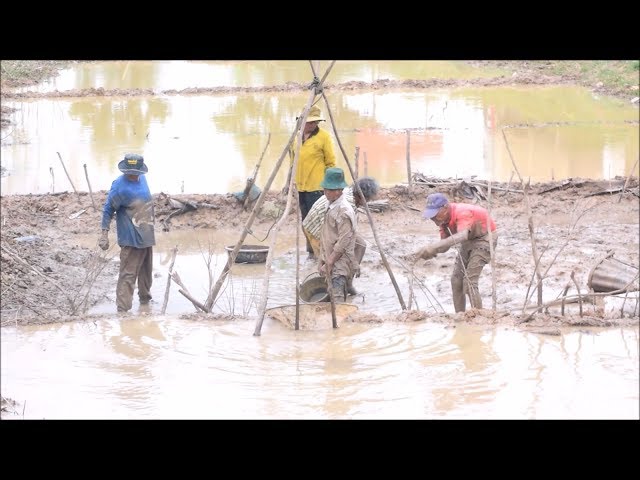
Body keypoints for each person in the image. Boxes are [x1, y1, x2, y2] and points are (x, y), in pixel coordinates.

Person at [416, 192, 498, 312]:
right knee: (456, 280)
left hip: (485, 238)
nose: (433, 219)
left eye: (435, 215)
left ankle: (479, 317)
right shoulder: (444, 222)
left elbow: (462, 236)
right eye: (431, 217)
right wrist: (432, 252)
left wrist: (434, 246)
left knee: (469, 282)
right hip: (469, 240)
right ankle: (460, 317)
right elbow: (445, 246)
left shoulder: (462, 212)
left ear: (445, 208)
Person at [302, 176, 379, 295]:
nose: (367, 203)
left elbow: (348, 233)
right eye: (367, 200)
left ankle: (348, 282)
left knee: (360, 245)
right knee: (333, 260)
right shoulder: (347, 205)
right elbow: (344, 240)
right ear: (362, 196)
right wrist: (339, 258)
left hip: (329, 225)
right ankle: (332, 290)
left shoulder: (349, 193)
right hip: (317, 228)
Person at [99, 153, 156, 313]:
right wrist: (104, 234)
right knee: (128, 276)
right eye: (130, 172)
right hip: (130, 238)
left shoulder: (142, 179)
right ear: (124, 170)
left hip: (146, 234)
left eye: (136, 172)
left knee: (146, 273)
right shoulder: (120, 187)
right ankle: (123, 312)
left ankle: (145, 305)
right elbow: (108, 209)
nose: (133, 175)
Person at [286, 104, 336, 258]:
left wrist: (330, 187)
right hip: (301, 187)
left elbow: (331, 163)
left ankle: (323, 253)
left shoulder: (324, 137)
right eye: (309, 122)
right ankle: (312, 251)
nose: (312, 125)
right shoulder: (296, 137)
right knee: (306, 221)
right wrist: (288, 183)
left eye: (315, 122)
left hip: (317, 188)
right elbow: (292, 162)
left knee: (319, 222)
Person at [318, 167, 357, 303]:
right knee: (331, 293)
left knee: (338, 298)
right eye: (325, 189)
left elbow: (343, 242)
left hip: (339, 262)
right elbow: (328, 235)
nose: (326, 192)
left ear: (339, 191)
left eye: (329, 190)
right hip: (331, 257)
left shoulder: (344, 211)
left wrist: (330, 262)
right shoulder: (330, 204)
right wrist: (323, 259)